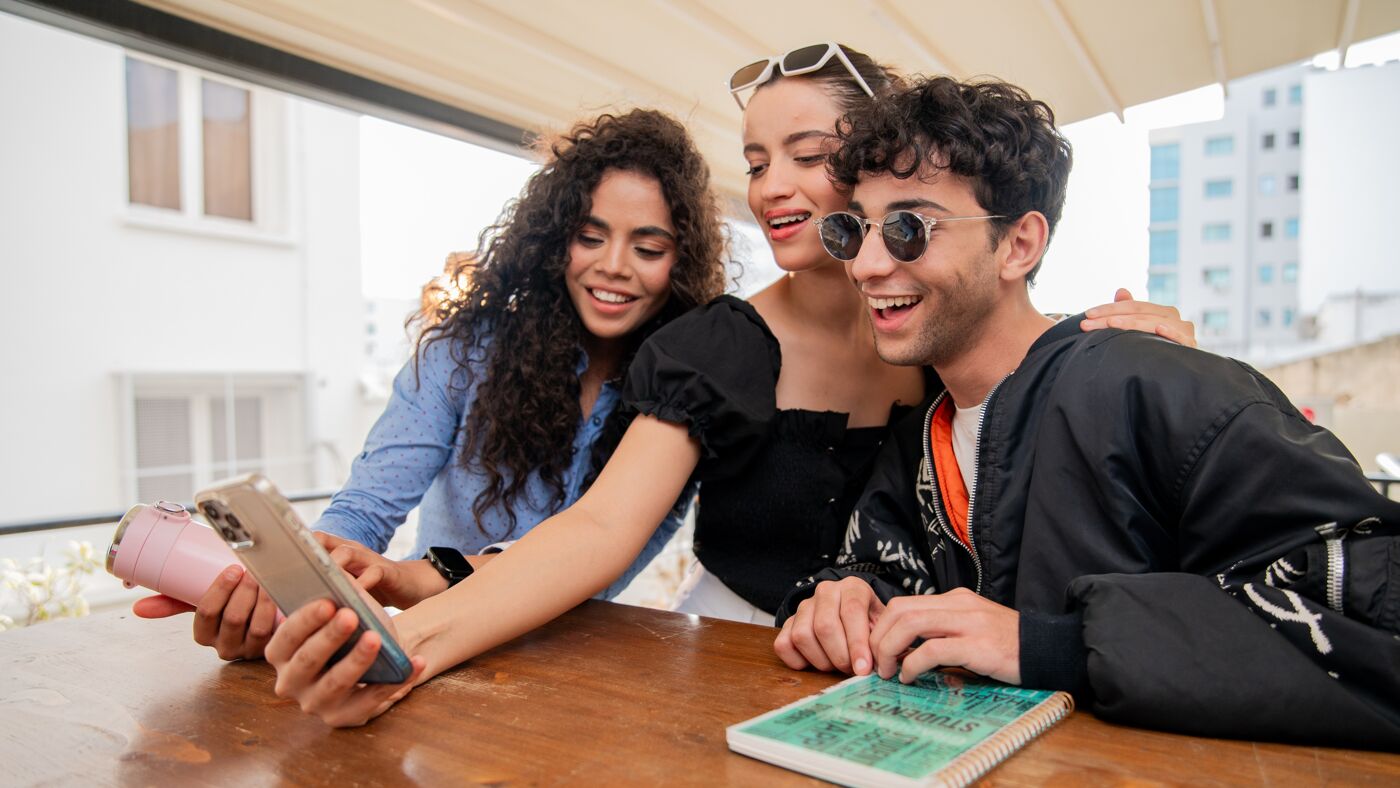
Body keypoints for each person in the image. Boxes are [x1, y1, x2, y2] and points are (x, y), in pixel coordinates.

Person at [259, 44, 1197, 728]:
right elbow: (594, 532)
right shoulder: (717, 347)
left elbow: (1021, 345)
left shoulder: (943, 337)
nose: (773, 185)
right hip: (732, 661)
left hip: (930, 682)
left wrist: (1142, 344)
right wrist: (413, 648)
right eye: (754, 162)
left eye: (809, 154)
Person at [772, 75, 1400, 748]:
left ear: (1019, 244)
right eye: (852, 229)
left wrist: (1057, 646)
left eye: (907, 228)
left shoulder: (1156, 386)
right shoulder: (920, 436)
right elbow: (885, 571)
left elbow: (1372, 616)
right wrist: (839, 597)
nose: (866, 264)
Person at [132, 108, 728, 659]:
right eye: (590, 237)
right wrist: (298, 589)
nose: (615, 265)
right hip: (428, 648)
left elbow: (591, 564)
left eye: (648, 247)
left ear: (683, 263)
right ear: (554, 242)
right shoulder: (464, 356)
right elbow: (363, 511)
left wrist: (413, 576)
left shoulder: (682, 405)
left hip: (574, 664)